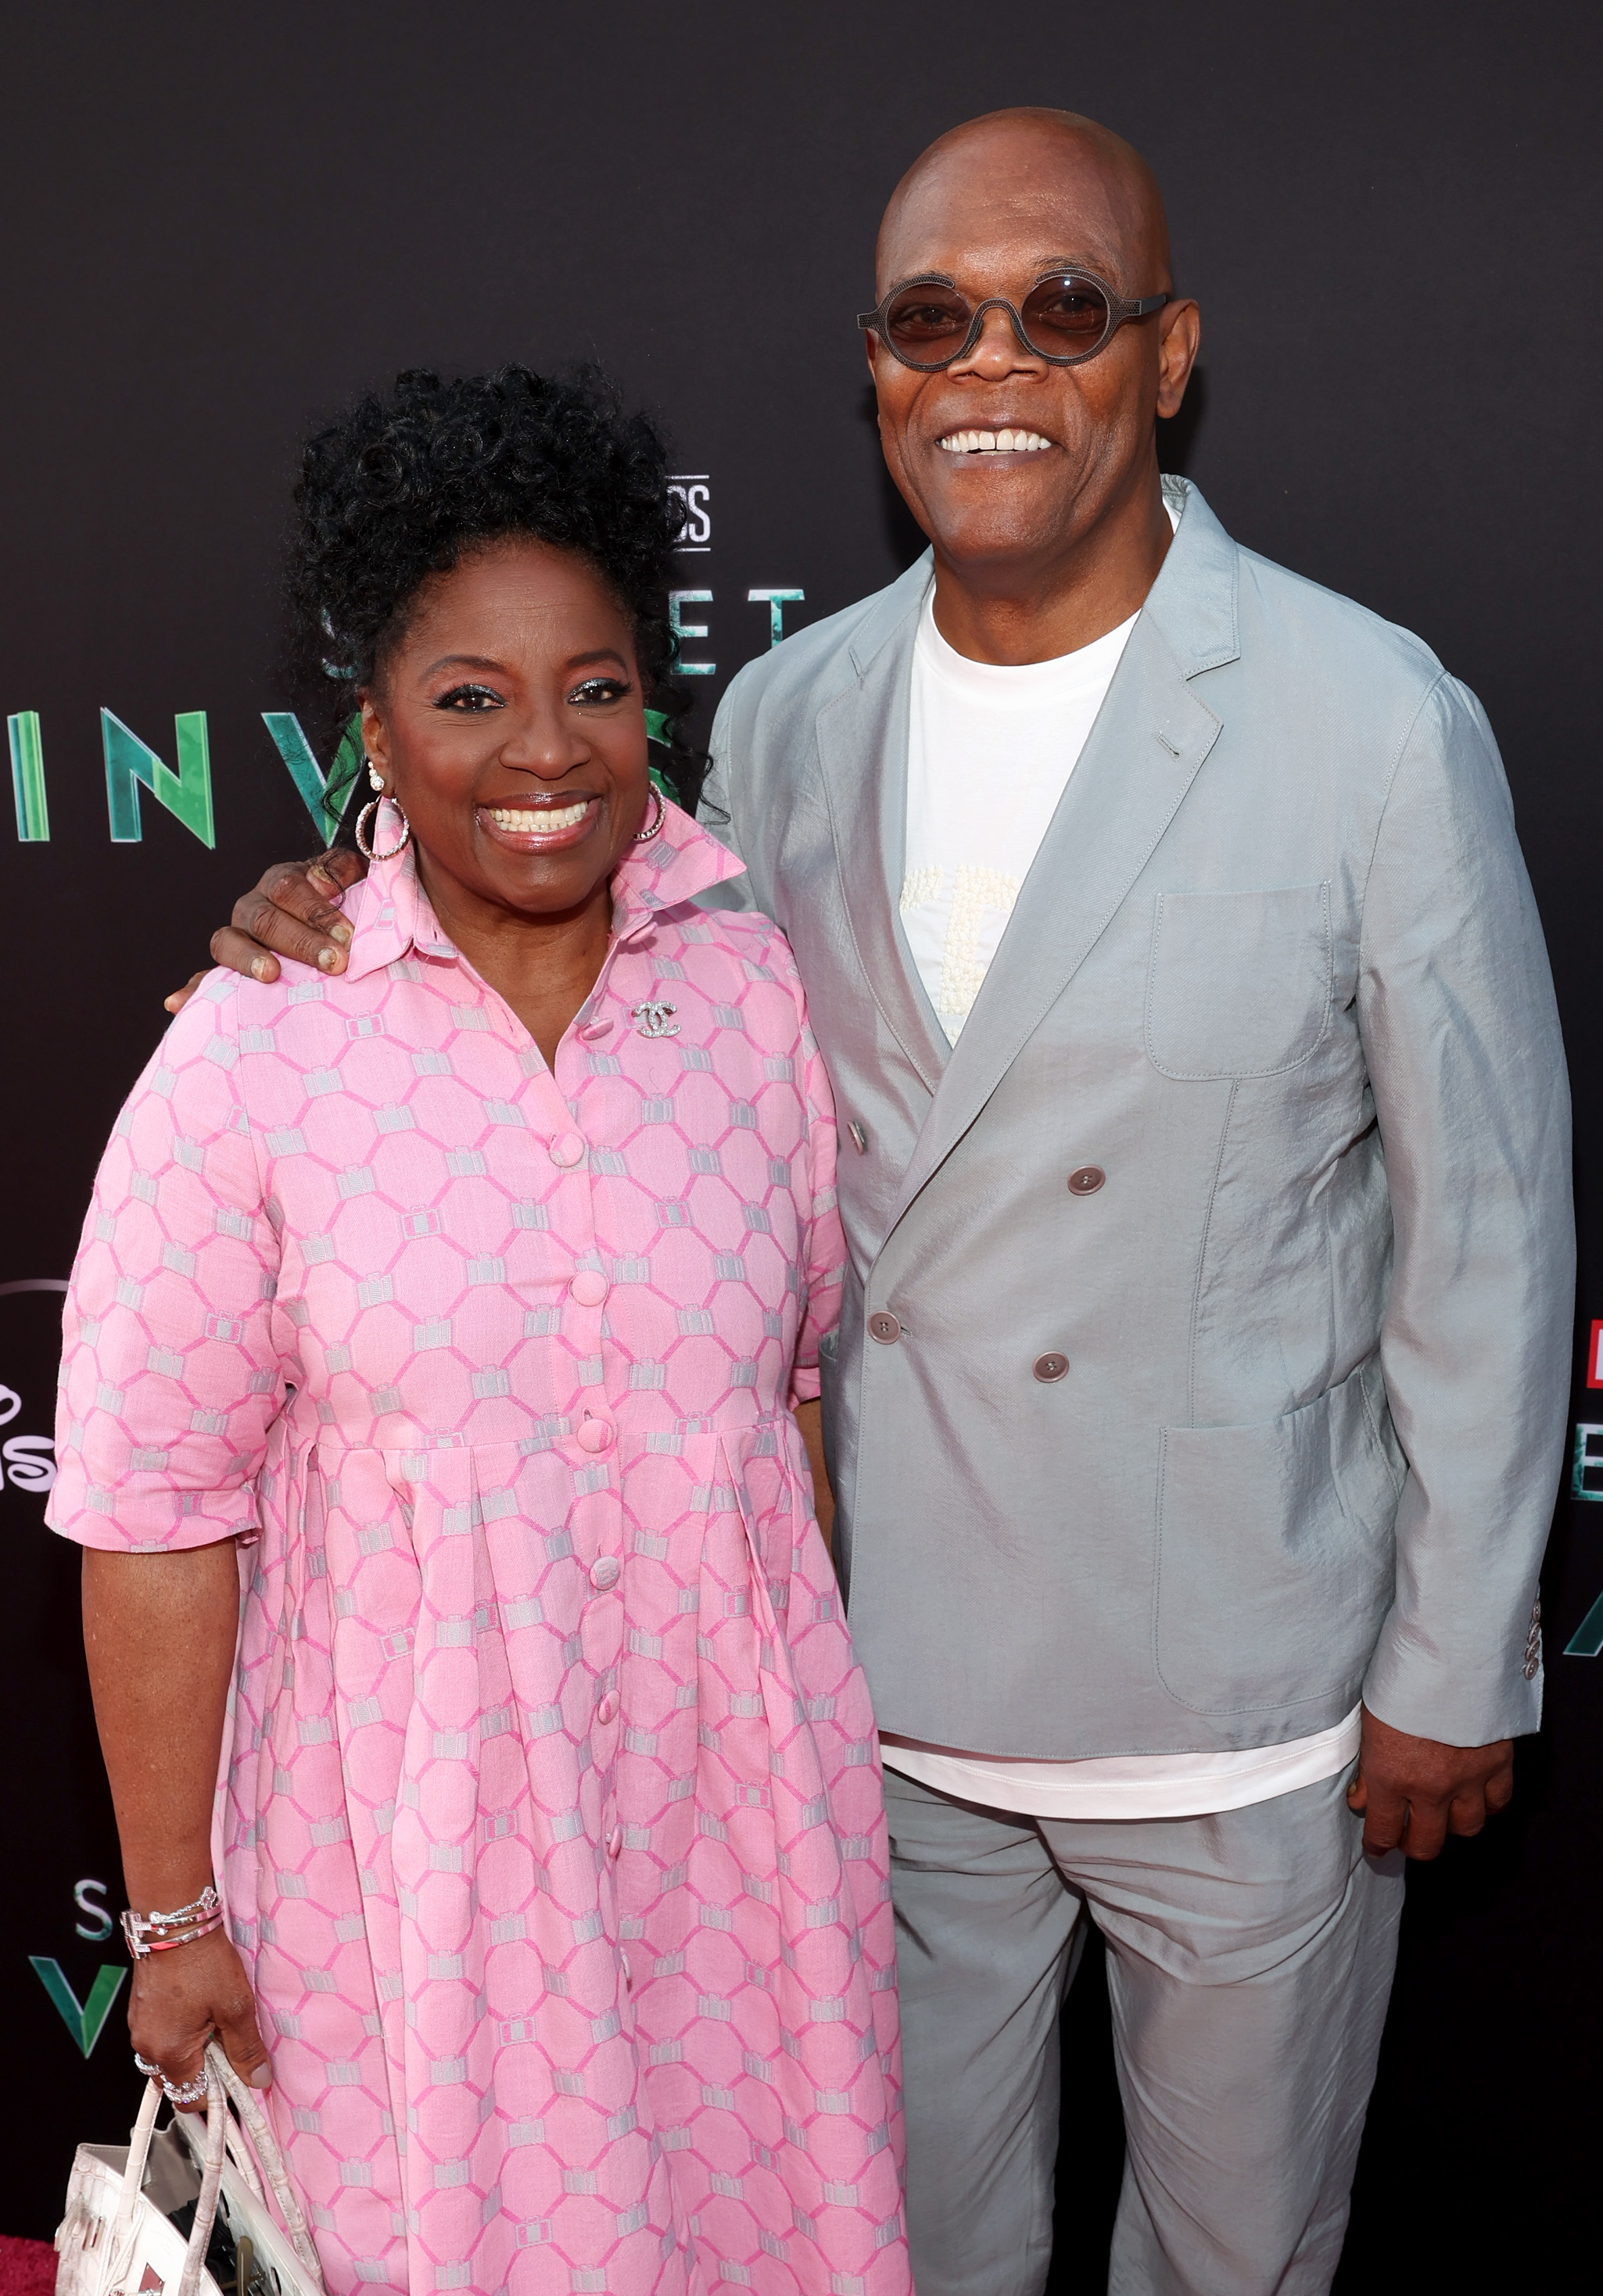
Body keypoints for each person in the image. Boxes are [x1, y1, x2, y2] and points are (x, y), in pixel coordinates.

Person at [183, 110, 1573, 2296]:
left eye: (1064, 310)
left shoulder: (1368, 719)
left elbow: (1486, 1230)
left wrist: (1454, 1656)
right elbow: (560, 925)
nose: (994, 363)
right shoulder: (801, 713)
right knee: (891, 2247)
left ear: (1168, 354)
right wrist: (328, 894)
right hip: (877, 1687)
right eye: (938, 319)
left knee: (1236, 2264)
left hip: (1239, 1679)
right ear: (875, 371)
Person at [52, 365, 910, 2296]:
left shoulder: (749, 995)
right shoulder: (257, 1055)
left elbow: (781, 1418)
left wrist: (801, 1766)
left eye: (596, 686)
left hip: (731, 1857)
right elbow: (151, 1514)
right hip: (405, 1878)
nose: (545, 748)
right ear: (370, 723)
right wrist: (175, 1915)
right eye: (467, 695)